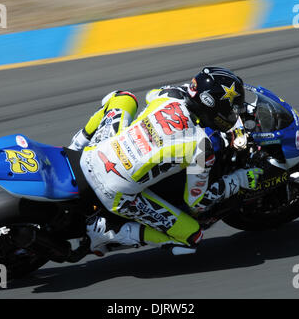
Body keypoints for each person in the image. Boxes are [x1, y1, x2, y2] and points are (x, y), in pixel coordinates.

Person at [69, 66, 263, 256]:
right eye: (231, 110)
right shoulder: (202, 147)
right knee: (191, 236)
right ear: (213, 107)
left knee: (123, 98)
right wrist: (239, 179)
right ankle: (106, 231)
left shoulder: (169, 94)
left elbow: (152, 94)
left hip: (95, 153)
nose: (233, 115)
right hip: (113, 191)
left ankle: (75, 146)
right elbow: (196, 202)